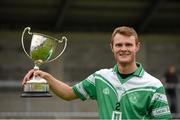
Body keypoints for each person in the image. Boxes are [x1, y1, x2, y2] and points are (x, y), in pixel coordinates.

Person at [22, 26, 172, 119]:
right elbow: (68, 93)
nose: (123, 48)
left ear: (137, 47)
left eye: (128, 44)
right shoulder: (100, 77)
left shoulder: (153, 85)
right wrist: (46, 77)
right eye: (119, 45)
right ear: (112, 47)